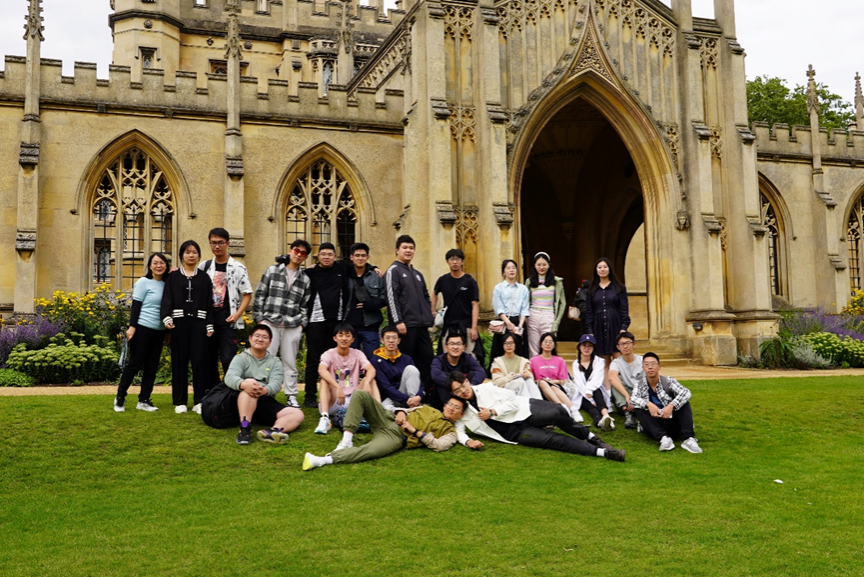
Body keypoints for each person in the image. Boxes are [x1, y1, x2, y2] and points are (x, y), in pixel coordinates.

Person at [449, 372, 625, 461]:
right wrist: (467, 441)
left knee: (558, 412)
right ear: (453, 393)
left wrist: (493, 412)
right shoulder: (462, 411)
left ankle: (592, 437)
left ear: (467, 381)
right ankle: (603, 453)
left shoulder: (486, 388)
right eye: (457, 391)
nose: (462, 391)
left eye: (463, 386)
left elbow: (512, 400)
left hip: (524, 410)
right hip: (516, 434)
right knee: (555, 441)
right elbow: (459, 430)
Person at [302, 390, 468, 470]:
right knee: (360, 395)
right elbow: (406, 410)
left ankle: (323, 460)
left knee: (370, 451)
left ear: (461, 414)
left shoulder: (450, 432)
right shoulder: (429, 408)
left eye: (456, 407)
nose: (451, 408)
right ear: (445, 405)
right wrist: (401, 413)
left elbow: (438, 445)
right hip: (388, 418)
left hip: (397, 436)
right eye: (450, 404)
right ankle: (346, 440)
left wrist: (414, 431)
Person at [252, 239, 313, 409]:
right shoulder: (272, 270)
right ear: (290, 250)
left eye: (303, 253)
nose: (298, 255)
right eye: (296, 250)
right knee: (265, 360)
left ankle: (291, 395)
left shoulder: (305, 279)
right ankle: (264, 393)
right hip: (269, 322)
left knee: (290, 362)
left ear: (305, 257)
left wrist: (302, 325)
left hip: (291, 325)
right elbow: (260, 295)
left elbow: (305, 305)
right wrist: (260, 320)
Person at [223, 324, 305, 445]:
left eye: (264, 337)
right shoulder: (241, 358)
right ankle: (245, 428)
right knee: (250, 387)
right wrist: (244, 384)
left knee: (297, 414)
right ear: (250, 338)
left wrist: (264, 390)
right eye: (257, 336)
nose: (260, 339)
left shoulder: (275, 361)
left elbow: (276, 384)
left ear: (270, 342)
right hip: (242, 401)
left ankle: (272, 431)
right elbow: (230, 377)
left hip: (264, 400)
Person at [161, 239, 213, 414]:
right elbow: (167, 298)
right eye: (187, 252)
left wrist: (209, 324)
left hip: (199, 324)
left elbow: (209, 303)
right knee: (179, 362)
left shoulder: (204, 278)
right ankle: (180, 401)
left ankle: (199, 401)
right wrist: (167, 318)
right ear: (182, 255)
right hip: (179, 325)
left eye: (194, 252)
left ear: (198, 255)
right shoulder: (173, 277)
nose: (191, 255)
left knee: (199, 362)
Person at [113, 252, 169, 413]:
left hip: (159, 330)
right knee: (134, 364)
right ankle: (120, 397)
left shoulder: (167, 284)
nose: (159, 266)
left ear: (166, 265)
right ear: (150, 266)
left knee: (151, 367)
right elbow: (136, 306)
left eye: (162, 262)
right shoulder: (143, 282)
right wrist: (132, 327)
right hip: (143, 328)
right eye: (155, 263)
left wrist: (167, 332)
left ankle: (144, 400)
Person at [200, 227, 253, 387]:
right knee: (209, 359)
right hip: (208, 321)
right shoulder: (205, 267)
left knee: (228, 359)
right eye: (213, 243)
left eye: (220, 243)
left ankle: (230, 392)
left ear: (228, 244)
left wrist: (238, 314)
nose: (217, 246)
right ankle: (213, 393)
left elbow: (247, 293)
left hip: (227, 322)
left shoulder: (238, 268)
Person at [303, 242, 349, 408]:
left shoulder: (342, 269)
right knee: (313, 359)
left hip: (336, 322)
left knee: (336, 359)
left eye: (330, 254)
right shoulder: (310, 272)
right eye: (323, 254)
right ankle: (309, 396)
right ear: (318, 256)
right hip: (316, 321)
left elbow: (360, 266)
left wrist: (374, 268)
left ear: (335, 256)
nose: (327, 257)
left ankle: (337, 394)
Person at [385, 235, 435, 387]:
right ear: (397, 250)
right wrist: (398, 321)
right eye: (405, 247)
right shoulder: (393, 271)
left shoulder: (417, 274)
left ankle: (424, 392)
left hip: (421, 325)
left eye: (411, 248)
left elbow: (426, 296)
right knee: (406, 361)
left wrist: (429, 315)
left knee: (427, 358)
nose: (408, 251)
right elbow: (391, 297)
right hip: (405, 326)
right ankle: (405, 393)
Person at [314, 322, 378, 435]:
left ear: (352, 339)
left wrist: (367, 382)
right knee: (324, 381)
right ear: (335, 338)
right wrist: (337, 387)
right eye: (341, 335)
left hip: (353, 399)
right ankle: (324, 418)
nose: (344, 338)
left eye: (347, 336)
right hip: (334, 400)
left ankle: (380, 415)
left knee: (371, 380)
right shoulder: (328, 354)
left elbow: (371, 369)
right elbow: (321, 370)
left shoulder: (357, 354)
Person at [631, 353, 702, 453]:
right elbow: (633, 398)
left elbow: (686, 392)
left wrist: (671, 406)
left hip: (671, 420)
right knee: (638, 407)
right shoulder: (639, 385)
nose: (650, 367)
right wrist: (649, 404)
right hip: (654, 424)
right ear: (643, 368)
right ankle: (664, 439)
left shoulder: (668, 381)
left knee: (684, 402)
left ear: (659, 367)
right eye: (646, 364)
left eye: (653, 364)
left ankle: (688, 439)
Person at [584, 257, 630, 386]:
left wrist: (623, 327)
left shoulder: (619, 288)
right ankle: (608, 392)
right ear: (596, 270)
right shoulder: (591, 290)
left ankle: (623, 390)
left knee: (618, 360)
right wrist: (590, 331)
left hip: (615, 325)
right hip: (598, 327)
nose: (602, 269)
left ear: (609, 269)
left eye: (605, 267)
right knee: (604, 362)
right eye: (599, 267)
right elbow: (589, 312)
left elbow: (624, 310)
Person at [432, 248, 480, 357]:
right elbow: (434, 293)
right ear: (447, 261)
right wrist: (433, 310)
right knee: (447, 356)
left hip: (466, 325)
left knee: (470, 356)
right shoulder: (443, 280)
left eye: (457, 259)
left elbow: (475, 304)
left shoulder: (470, 281)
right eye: (451, 259)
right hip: (449, 325)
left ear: (462, 262)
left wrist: (474, 328)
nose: (454, 262)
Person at [344, 242, 387, 360]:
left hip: (370, 326)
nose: (360, 258)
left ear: (368, 257)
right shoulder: (345, 274)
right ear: (351, 257)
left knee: (373, 361)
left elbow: (384, 298)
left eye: (363, 255)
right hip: (350, 327)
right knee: (351, 363)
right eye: (357, 255)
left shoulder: (376, 276)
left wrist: (369, 304)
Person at [530, 332, 580, 421]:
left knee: (552, 387)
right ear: (541, 344)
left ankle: (573, 410)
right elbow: (531, 380)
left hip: (557, 388)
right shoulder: (533, 360)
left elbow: (562, 381)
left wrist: (550, 382)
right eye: (545, 341)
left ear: (554, 345)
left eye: (550, 342)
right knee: (543, 383)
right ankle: (564, 407)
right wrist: (544, 382)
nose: (548, 344)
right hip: (540, 389)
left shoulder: (560, 360)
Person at [524, 252, 566, 358]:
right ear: (534, 266)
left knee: (548, 344)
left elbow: (563, 303)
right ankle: (534, 367)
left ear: (549, 265)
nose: (541, 267)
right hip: (533, 315)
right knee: (533, 346)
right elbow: (525, 301)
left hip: (549, 314)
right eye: (539, 265)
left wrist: (556, 322)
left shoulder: (556, 281)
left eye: (544, 264)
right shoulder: (529, 282)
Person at [372, 325, 423, 410]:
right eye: (388, 338)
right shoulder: (375, 361)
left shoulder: (406, 359)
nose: (391, 341)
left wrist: (419, 396)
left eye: (394, 338)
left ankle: (412, 406)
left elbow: (419, 381)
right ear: (382, 340)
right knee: (385, 409)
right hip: (388, 397)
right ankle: (406, 410)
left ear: (398, 341)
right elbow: (385, 386)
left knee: (411, 369)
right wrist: (406, 399)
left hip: (407, 396)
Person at [489, 259, 530, 364]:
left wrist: (520, 324)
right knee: (501, 348)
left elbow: (525, 308)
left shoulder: (523, 289)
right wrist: (508, 323)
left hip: (519, 322)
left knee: (519, 349)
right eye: (508, 268)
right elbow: (498, 307)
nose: (511, 270)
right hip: (504, 321)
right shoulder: (498, 288)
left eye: (513, 268)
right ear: (504, 272)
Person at [429, 332, 485, 409]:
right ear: (446, 347)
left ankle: (471, 407)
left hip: (463, 392)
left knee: (472, 374)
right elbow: (435, 375)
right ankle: (450, 409)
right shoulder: (439, 360)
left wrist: (470, 385)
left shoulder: (467, 357)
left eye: (458, 344)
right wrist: (454, 385)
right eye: (452, 344)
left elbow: (481, 371)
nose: (455, 347)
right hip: (444, 396)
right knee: (441, 380)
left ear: (463, 347)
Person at [571, 334, 615, 431]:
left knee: (596, 391)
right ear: (579, 347)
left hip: (595, 389)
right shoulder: (575, 364)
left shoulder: (599, 361)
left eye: (590, 346)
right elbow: (579, 383)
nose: (587, 348)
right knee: (588, 405)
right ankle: (599, 421)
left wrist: (590, 391)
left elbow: (596, 379)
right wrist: (590, 399)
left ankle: (606, 416)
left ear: (593, 348)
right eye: (584, 345)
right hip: (582, 393)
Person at [489, 332, 541, 399]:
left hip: (522, 388)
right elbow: (497, 382)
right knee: (519, 381)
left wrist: (526, 375)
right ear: (502, 345)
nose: (508, 345)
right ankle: (527, 403)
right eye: (506, 343)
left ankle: (538, 401)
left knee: (529, 381)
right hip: (505, 390)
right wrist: (513, 376)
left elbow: (531, 377)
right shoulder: (497, 362)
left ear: (515, 344)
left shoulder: (523, 361)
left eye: (511, 343)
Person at [608, 331, 642, 429]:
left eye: (628, 343)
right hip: (624, 398)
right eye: (622, 344)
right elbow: (611, 377)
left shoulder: (642, 360)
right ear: (618, 347)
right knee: (615, 381)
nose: (625, 346)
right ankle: (628, 413)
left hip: (640, 395)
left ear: (634, 344)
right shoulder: (616, 362)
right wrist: (627, 396)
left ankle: (637, 410)